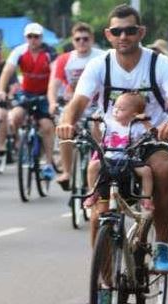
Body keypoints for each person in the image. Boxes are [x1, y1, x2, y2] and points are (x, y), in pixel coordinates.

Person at [56, 4, 168, 273]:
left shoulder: (158, 63)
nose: (123, 36)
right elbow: (78, 102)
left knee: (162, 168)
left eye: (129, 30)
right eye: (117, 31)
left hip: (151, 139)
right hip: (112, 142)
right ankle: (103, 284)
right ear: (108, 34)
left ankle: (161, 245)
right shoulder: (99, 65)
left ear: (141, 32)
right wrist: (67, 122)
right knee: (99, 216)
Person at [47, 22, 105, 190]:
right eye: (77, 39)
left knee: (98, 128)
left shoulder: (102, 56)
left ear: (92, 39)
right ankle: (66, 171)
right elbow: (53, 85)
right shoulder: (65, 59)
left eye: (85, 39)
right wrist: (52, 102)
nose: (81, 42)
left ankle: (101, 166)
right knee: (64, 128)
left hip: (97, 105)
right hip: (75, 105)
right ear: (72, 41)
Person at [0, 22, 57, 180]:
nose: (33, 40)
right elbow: (7, 71)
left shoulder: (49, 52)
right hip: (27, 93)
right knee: (15, 116)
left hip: (45, 93)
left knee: (47, 126)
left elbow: (56, 73)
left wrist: (55, 97)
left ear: (41, 37)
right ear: (26, 38)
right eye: (30, 36)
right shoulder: (19, 51)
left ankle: (49, 164)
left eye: (36, 36)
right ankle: (19, 143)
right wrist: (1, 90)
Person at [83, 93, 154, 211]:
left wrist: (146, 122)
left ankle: (147, 197)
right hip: (109, 158)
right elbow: (98, 139)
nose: (116, 111)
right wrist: (95, 125)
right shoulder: (109, 124)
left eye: (121, 109)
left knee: (146, 171)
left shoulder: (137, 127)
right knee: (93, 165)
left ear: (134, 114)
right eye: (115, 107)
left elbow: (152, 135)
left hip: (129, 160)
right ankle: (93, 193)